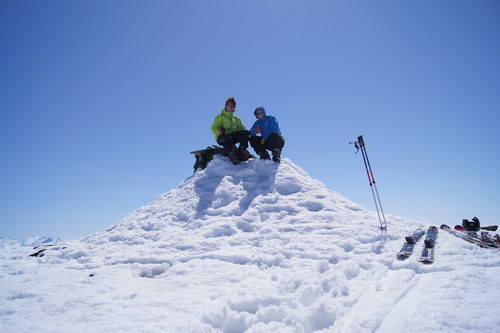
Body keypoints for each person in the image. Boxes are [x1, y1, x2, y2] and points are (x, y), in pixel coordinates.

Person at [210, 97, 249, 164]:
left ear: (234, 108)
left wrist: (249, 133)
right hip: (222, 137)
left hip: (231, 138)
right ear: (225, 106)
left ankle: (241, 151)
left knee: (245, 132)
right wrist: (219, 131)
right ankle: (232, 155)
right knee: (226, 137)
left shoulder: (236, 118)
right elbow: (213, 128)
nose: (229, 107)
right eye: (228, 105)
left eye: (232, 106)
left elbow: (242, 128)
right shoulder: (220, 116)